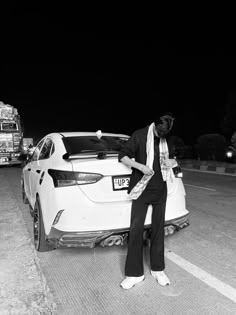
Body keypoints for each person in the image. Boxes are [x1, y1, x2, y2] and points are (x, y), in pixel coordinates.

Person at [118, 112, 176, 290]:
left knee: (158, 230)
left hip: (160, 190)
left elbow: (173, 159)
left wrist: (170, 162)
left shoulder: (167, 138)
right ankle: (134, 274)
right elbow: (123, 156)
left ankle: (158, 269)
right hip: (142, 189)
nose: (161, 137)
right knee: (136, 230)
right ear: (154, 126)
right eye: (159, 134)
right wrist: (140, 166)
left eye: (164, 135)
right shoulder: (140, 135)